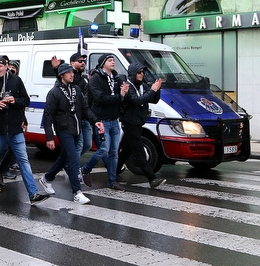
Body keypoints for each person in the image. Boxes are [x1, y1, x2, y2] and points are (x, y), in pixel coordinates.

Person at [0, 55, 49, 205]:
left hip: (15, 129)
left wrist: (15, 100)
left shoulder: (16, 80)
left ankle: (33, 193)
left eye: (0, 66)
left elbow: (26, 100)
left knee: (24, 161)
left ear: (6, 66)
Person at [40, 63, 102, 205]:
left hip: (76, 129)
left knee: (64, 157)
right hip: (63, 129)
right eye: (69, 73)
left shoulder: (76, 89)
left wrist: (95, 121)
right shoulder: (54, 93)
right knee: (73, 159)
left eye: (72, 72)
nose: (72, 75)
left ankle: (47, 178)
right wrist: (49, 137)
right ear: (62, 75)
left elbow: (85, 108)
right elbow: (48, 116)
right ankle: (77, 192)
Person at [117, 61, 166, 188]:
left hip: (138, 122)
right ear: (133, 73)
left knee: (127, 150)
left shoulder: (142, 85)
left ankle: (115, 171)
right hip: (129, 122)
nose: (141, 74)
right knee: (139, 152)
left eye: (143, 72)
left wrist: (157, 88)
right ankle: (152, 178)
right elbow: (137, 101)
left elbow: (153, 99)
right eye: (139, 72)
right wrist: (152, 90)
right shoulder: (128, 86)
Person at [82, 54, 128, 190]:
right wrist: (120, 96)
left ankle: (112, 180)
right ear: (103, 63)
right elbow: (100, 98)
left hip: (114, 120)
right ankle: (86, 169)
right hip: (102, 120)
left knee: (114, 152)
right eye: (109, 60)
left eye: (113, 60)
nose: (113, 62)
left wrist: (123, 95)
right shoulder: (96, 78)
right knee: (104, 149)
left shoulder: (117, 78)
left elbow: (121, 98)